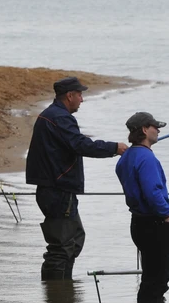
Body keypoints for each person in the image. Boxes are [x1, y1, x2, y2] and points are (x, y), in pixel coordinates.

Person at [26, 76, 127, 281]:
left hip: (55, 189)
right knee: (62, 246)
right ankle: (57, 296)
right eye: (80, 95)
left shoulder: (53, 115)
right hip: (57, 190)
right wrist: (114, 148)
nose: (82, 99)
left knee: (74, 239)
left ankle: (63, 289)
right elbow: (80, 145)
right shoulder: (60, 117)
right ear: (69, 96)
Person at [115, 111, 169, 303]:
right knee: (158, 278)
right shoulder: (146, 158)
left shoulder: (126, 159)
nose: (158, 130)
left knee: (150, 275)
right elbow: (152, 192)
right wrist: (167, 214)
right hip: (155, 223)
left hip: (138, 223)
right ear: (144, 129)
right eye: (155, 126)